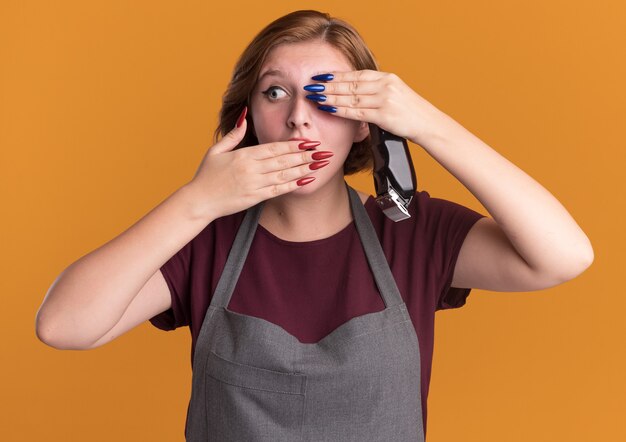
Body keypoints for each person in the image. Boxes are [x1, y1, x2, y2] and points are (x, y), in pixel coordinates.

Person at [35, 9, 594, 441]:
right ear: (247, 120)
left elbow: (564, 256)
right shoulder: (203, 240)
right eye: (276, 92)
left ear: (362, 125)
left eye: (327, 95)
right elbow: (63, 326)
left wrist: (427, 122)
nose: (299, 116)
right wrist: (196, 202)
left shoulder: (414, 231)